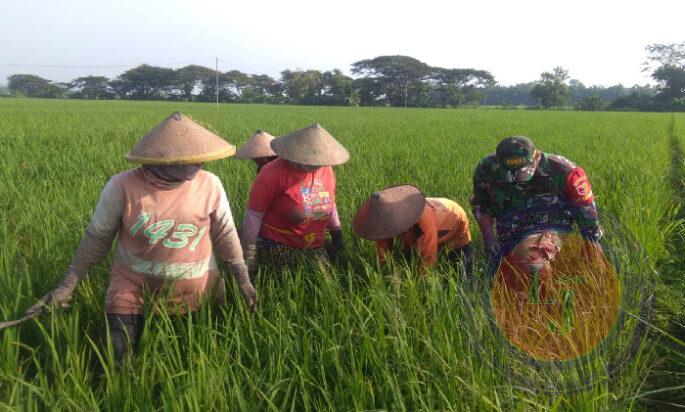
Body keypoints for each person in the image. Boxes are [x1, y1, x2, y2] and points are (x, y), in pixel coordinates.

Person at [24, 112, 257, 362]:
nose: (200, 164)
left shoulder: (210, 184)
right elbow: (97, 239)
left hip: (197, 290)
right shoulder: (122, 186)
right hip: (133, 288)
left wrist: (242, 279)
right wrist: (66, 285)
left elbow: (226, 235)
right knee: (114, 356)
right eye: (191, 159)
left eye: (201, 158)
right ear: (166, 160)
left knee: (191, 360)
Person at [470, 135, 603, 277]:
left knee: (533, 264)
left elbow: (586, 210)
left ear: (536, 157)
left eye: (521, 173)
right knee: (504, 270)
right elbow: (480, 204)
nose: (515, 181)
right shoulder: (486, 168)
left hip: (551, 227)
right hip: (509, 231)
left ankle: (548, 290)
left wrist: (592, 246)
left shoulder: (565, 171)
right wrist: (489, 238)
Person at [241, 124, 349, 273]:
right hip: (278, 244)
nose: (312, 165)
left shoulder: (326, 170)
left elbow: (329, 202)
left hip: (315, 244)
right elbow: (254, 215)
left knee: (336, 272)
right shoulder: (271, 173)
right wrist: (249, 254)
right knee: (304, 276)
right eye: (305, 160)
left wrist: (338, 237)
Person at [353, 184, 472, 275]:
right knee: (409, 258)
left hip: (453, 218)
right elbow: (383, 251)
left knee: (459, 267)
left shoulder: (424, 219)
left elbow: (428, 257)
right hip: (420, 226)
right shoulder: (384, 219)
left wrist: (422, 286)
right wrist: (386, 272)